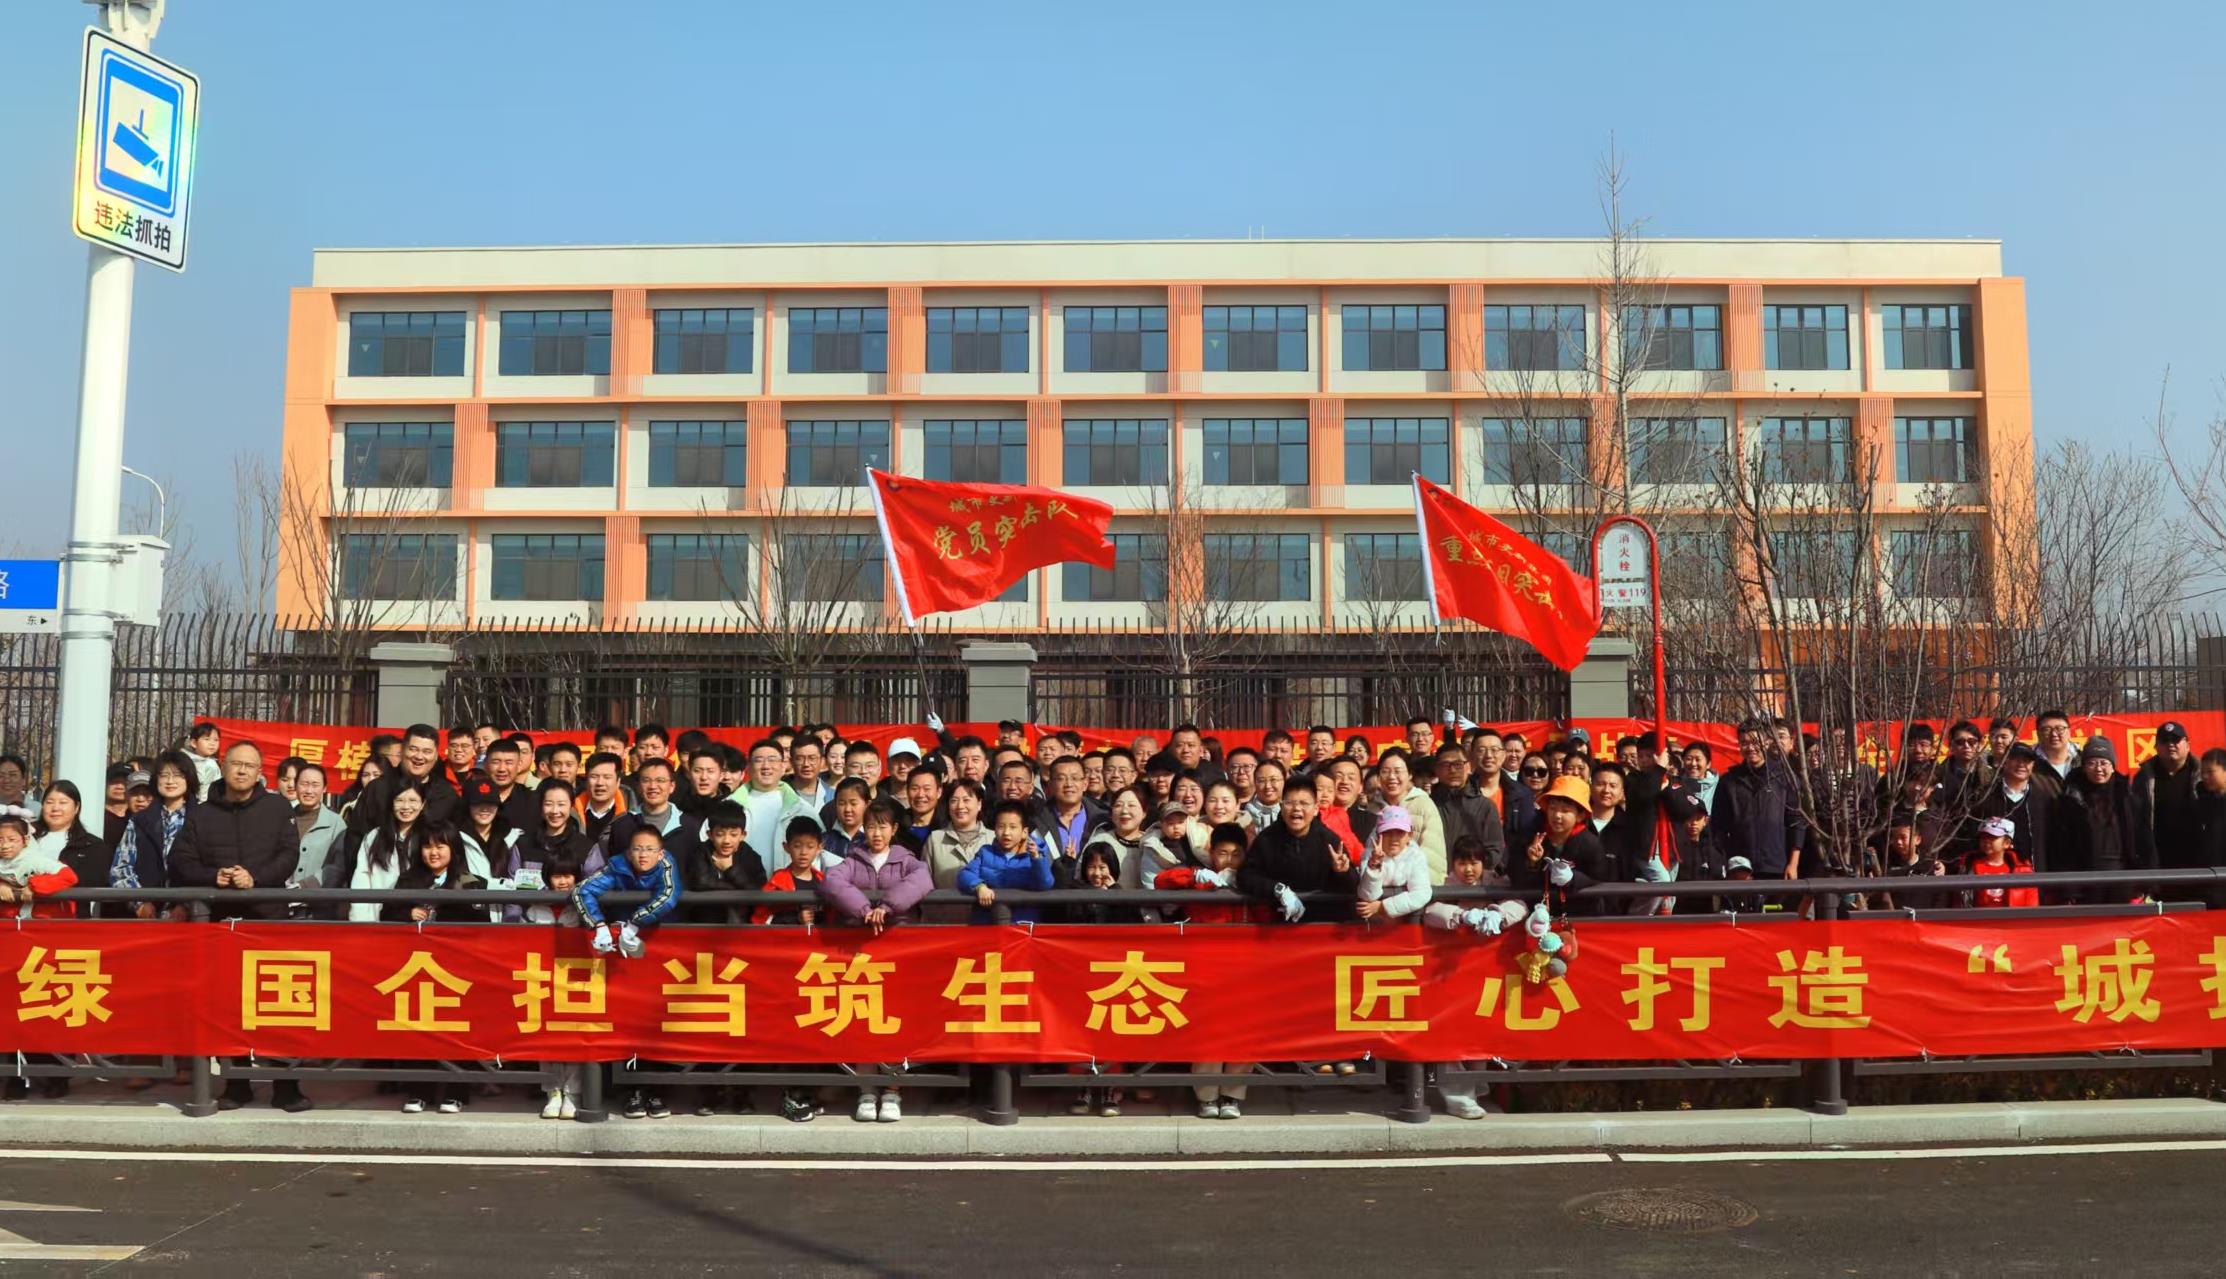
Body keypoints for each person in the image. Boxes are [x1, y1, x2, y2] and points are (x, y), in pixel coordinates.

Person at [1237, 782, 1360, 924]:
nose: (1296, 808)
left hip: (1322, 923)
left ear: (1315, 809)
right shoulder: (1266, 839)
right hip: (1279, 923)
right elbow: (1245, 876)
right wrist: (1277, 889)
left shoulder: (1329, 840)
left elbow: (1353, 884)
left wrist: (1342, 872)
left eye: (1304, 803)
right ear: (1281, 806)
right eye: (1290, 803)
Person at [2053, 735, 2152, 903]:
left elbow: (2144, 841)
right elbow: (2062, 848)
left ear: (2113, 767)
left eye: (2104, 763)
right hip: (2085, 881)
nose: (2098, 769)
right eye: (2092, 763)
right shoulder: (2070, 800)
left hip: (2124, 879)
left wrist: (2146, 884)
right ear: (2084, 767)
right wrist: (2068, 889)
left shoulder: (2127, 797)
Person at [1712, 719, 1806, 882]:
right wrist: (1728, 862)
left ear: (1767, 742)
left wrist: (1793, 864)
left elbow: (1796, 822)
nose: (1750, 748)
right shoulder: (1729, 781)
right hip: (1740, 868)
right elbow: (1718, 826)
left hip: (1776, 866)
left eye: (1755, 742)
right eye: (1744, 743)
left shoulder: (1785, 778)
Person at [113, 750, 197, 914]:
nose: (170, 781)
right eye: (164, 775)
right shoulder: (139, 820)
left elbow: (208, 867)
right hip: (146, 916)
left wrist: (186, 904)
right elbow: (120, 867)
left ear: (189, 778)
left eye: (178, 775)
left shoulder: (203, 817)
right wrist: (140, 903)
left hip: (190, 916)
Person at [959, 800, 1056, 924]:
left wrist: (1037, 859)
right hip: (988, 924)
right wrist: (979, 887)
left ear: (1024, 832)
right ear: (994, 830)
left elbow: (1045, 883)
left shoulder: (1033, 857)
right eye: (1001, 827)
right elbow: (965, 874)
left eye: (1013, 827)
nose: (1006, 833)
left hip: (1022, 925)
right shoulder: (985, 853)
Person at [347, 782, 428, 922]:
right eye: (399, 800)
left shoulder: (430, 836)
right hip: (379, 918)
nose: (406, 806)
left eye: (413, 800)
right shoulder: (375, 836)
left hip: (419, 920)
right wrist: (361, 921)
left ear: (423, 804)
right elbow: (362, 878)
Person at [2135, 721, 2202, 879]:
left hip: (2197, 861)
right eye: (2164, 741)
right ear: (2156, 747)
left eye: (2176, 740)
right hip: (2157, 862)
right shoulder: (2143, 777)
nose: (2170, 745)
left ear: (2188, 745)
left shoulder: (2202, 774)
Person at [923, 778, 994, 923]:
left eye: (966, 800)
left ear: (979, 804)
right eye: (954, 800)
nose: (960, 806)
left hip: (985, 924)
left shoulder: (993, 839)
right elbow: (924, 882)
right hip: (944, 924)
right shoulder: (935, 839)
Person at [1373, 749, 1447, 885]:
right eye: (1385, 771)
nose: (1391, 777)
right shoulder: (1372, 807)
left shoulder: (1423, 804)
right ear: (1378, 776)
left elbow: (1433, 855)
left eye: (1398, 771)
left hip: (1416, 887)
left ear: (1410, 775)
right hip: (1377, 887)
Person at [684, 803, 766, 924]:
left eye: (733, 834)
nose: (727, 840)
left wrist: (730, 869)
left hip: (741, 925)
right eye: (720, 834)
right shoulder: (700, 853)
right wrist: (735, 889)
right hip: (704, 924)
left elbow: (758, 892)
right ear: (710, 835)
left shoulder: (751, 857)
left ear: (743, 835)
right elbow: (699, 883)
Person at [1356, 806, 1433, 924]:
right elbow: (1368, 896)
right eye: (1387, 833)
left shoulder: (1416, 856)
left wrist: (1382, 907)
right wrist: (1374, 865)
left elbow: (1422, 893)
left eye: (1400, 833)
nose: (1394, 839)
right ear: (1378, 835)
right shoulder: (1368, 855)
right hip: (1373, 925)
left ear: (1409, 835)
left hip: (1407, 922)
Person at [0, 811, 78, 919]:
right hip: (15, 921)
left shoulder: (37, 861)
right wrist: (2, 885)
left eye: (12, 840)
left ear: (26, 840)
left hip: (46, 918)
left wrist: (33, 886)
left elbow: (69, 877)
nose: (5, 845)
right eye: (0, 840)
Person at [1965, 816, 2039, 909]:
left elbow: (2032, 903)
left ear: (2006, 843)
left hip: (2013, 917)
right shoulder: (1972, 866)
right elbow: (1962, 900)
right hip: (1979, 917)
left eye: (1992, 837)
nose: (1986, 841)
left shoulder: (2022, 870)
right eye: (1983, 837)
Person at [185, 721, 223, 799]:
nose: (212, 743)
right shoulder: (185, 760)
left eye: (216, 740)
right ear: (194, 743)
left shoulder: (211, 763)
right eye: (207, 739)